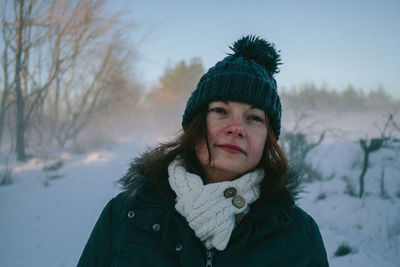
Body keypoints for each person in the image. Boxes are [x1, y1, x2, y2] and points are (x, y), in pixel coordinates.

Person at [78, 35, 329, 266]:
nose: (236, 128)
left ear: (268, 139)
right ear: (196, 124)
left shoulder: (299, 234)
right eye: (220, 111)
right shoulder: (125, 215)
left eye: (254, 118)